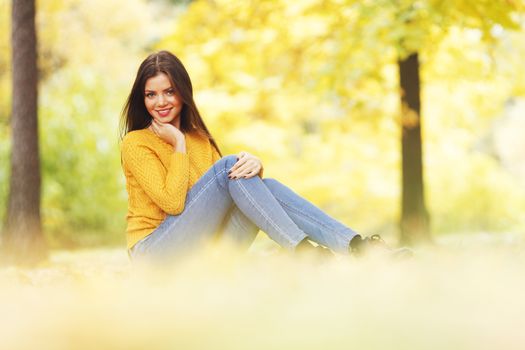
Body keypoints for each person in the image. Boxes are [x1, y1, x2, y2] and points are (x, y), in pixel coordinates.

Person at [120, 50, 396, 264]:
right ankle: (304, 252)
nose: (161, 102)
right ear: (142, 99)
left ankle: (356, 246)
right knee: (229, 165)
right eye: (151, 94)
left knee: (257, 180)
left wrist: (256, 169)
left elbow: (225, 195)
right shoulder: (136, 143)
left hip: (204, 256)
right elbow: (173, 203)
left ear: (183, 93)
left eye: (169, 91)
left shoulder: (200, 139)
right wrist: (178, 144)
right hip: (154, 254)